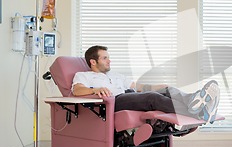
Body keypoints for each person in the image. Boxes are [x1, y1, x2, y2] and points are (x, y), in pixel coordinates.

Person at [72, 45, 220, 124]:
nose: (109, 61)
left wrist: (160, 86)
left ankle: (194, 100)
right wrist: (96, 89)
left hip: (129, 95)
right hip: (115, 102)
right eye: (105, 58)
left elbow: (138, 87)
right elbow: (77, 90)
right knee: (152, 98)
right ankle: (199, 111)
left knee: (165, 90)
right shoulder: (84, 75)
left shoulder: (115, 75)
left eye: (109, 58)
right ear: (93, 61)